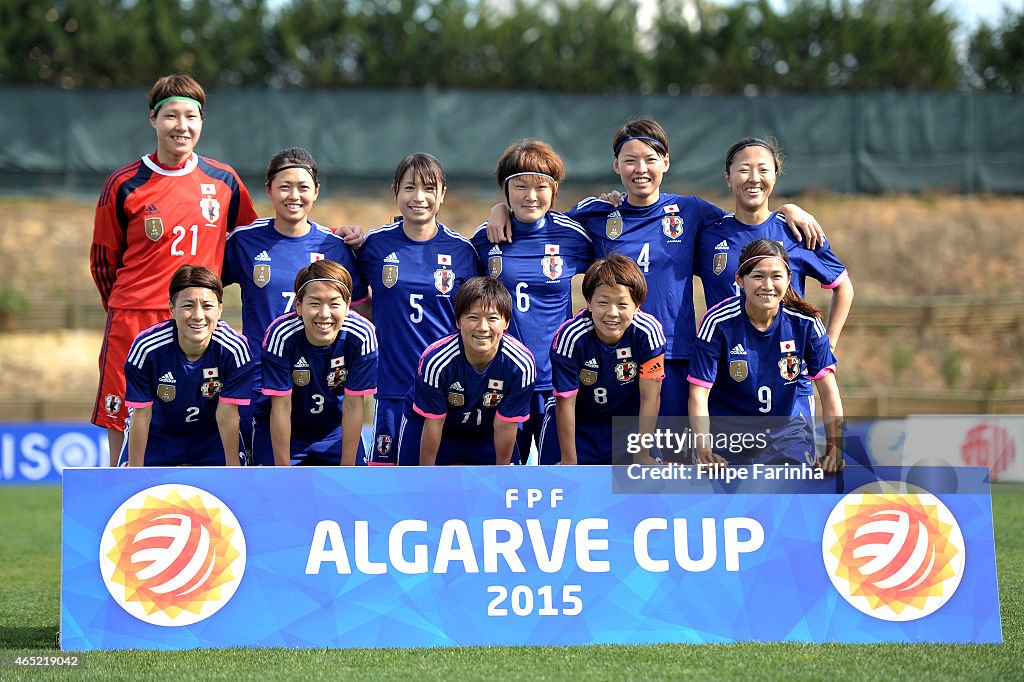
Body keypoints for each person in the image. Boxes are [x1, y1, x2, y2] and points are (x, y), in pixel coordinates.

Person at [486, 118, 822, 420]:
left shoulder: (690, 211)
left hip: (674, 354)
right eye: (630, 160)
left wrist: (787, 211)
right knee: (618, 457)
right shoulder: (596, 214)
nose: (640, 169)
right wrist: (501, 208)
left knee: (669, 465)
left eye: (650, 159)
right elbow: (544, 227)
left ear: (666, 162)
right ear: (616, 165)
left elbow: (744, 223)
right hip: (612, 357)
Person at [91, 73, 259, 465]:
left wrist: (331, 235)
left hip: (201, 317)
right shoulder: (124, 183)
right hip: (134, 316)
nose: (181, 126)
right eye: (171, 116)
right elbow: (103, 261)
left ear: (201, 122)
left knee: (209, 407)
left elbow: (256, 239)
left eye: (190, 117)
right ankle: (120, 491)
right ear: (153, 119)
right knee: (123, 413)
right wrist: (122, 306)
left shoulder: (223, 181)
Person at [222, 148, 365, 459]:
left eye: (303, 187)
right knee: (265, 489)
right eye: (284, 186)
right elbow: (204, 291)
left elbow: (361, 311)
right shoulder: (244, 241)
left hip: (324, 383)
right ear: (269, 189)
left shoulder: (335, 246)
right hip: (261, 384)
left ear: (316, 191)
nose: (294, 195)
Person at [471, 140, 594, 463]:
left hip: (558, 379)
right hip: (503, 378)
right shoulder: (486, 238)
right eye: (520, 186)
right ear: (505, 189)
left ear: (554, 190)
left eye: (541, 186)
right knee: (501, 475)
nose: (530, 196)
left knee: (560, 472)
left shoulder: (573, 235)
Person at [356, 153, 480, 464]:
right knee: (390, 483)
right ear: (395, 191)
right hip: (393, 388)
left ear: (442, 194)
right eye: (409, 187)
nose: (419, 197)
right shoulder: (374, 245)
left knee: (443, 479)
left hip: (448, 388)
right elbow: (359, 308)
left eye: (428, 188)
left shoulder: (463, 251)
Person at [687, 239, 844, 472]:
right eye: (758, 276)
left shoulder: (807, 324)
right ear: (740, 279)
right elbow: (699, 394)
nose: (768, 285)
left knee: (785, 502)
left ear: (789, 279)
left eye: (776, 276)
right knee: (726, 505)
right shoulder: (717, 322)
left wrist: (834, 451)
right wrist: (704, 450)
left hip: (787, 439)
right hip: (728, 439)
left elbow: (829, 392)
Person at [695, 136, 854, 353]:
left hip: (786, 370)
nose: (754, 178)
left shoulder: (797, 230)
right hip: (726, 371)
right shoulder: (708, 236)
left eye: (763, 170)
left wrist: (828, 345)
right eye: (744, 170)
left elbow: (843, 286)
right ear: (728, 178)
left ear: (775, 176)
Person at [119, 265, 254, 467]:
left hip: (212, 439)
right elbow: (141, 414)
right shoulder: (146, 348)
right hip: (157, 437)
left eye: (207, 306)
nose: (198, 315)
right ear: (172, 309)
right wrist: (136, 471)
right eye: (188, 305)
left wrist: (232, 471)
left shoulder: (235, 350)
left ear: (220, 309)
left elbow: (227, 415)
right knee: (130, 490)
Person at [396, 276, 536, 466]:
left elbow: (505, 425)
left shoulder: (521, 364)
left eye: (492, 318)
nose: (483, 327)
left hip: (488, 432)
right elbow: (434, 423)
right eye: (473, 317)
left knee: (501, 486)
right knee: (416, 488)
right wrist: (425, 478)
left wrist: (502, 477)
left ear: (506, 322)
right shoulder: (436, 361)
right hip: (433, 427)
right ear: (458, 321)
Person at [539, 255, 665, 465]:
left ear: (637, 305)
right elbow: (565, 404)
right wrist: (569, 460)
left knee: (649, 490)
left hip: (628, 427)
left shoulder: (649, 334)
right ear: (589, 303)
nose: (612, 313)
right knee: (564, 491)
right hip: (576, 426)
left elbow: (650, 398)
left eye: (622, 304)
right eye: (603, 302)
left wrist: (641, 454)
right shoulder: (571, 337)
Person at [253, 260, 377, 466]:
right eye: (315, 303)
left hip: (334, 430)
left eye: (334, 303)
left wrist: (348, 470)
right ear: (299, 305)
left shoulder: (362, 334)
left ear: (347, 305)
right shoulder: (281, 335)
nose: (325, 314)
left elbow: (353, 405)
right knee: (274, 491)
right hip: (285, 428)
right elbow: (281, 406)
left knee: (351, 488)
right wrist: (282, 472)